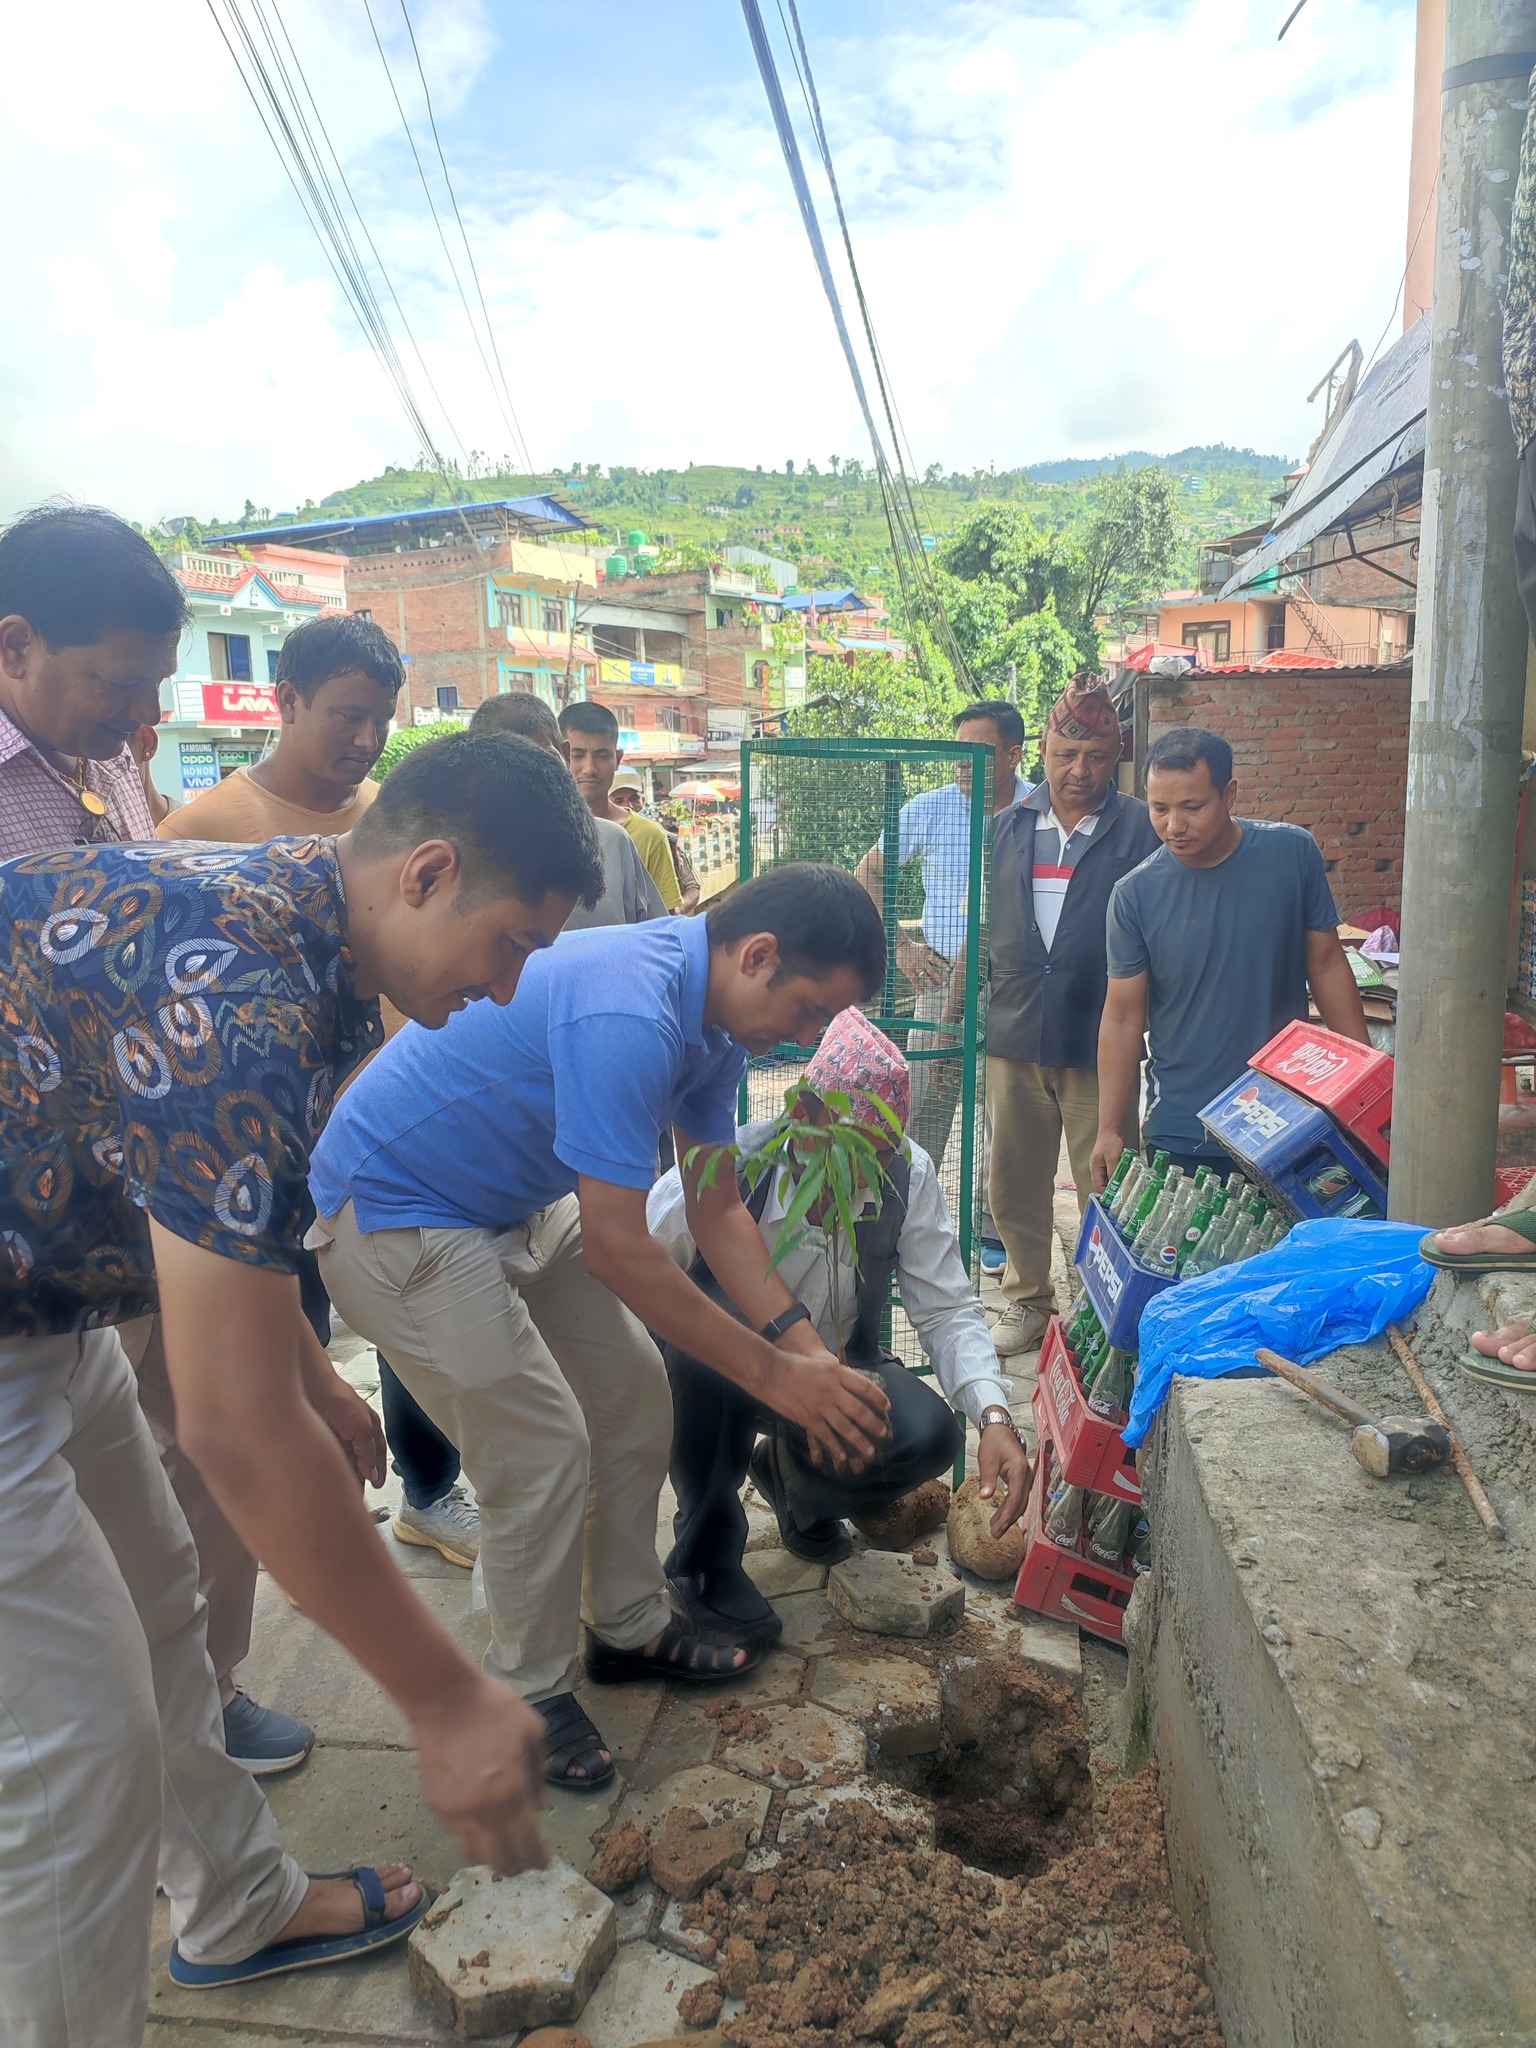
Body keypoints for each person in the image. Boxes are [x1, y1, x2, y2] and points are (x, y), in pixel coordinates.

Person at [0, 721, 601, 2040]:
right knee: (68, 1752)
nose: (507, 989)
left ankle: (235, 1904)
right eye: (511, 943)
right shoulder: (247, 991)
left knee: (165, 1599)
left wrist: (312, 1379)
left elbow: (208, 1203)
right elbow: (227, 1428)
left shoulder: (302, 923)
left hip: (49, 1310)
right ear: (428, 873)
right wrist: (445, 1699)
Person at [307, 867, 892, 1792]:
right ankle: (523, 1694)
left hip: (518, 1200)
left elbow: (716, 1208)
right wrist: (779, 1383)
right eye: (811, 1010)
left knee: (633, 1399)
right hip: (394, 1209)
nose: (811, 1037)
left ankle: (626, 1625)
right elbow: (624, 1250)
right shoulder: (632, 1006)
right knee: (538, 1451)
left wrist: (802, 1344)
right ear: (759, 955)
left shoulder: (715, 1025)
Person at [0, 503, 303, 1773]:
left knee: (190, 1479)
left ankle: (204, 1696)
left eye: (153, 692)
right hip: (32, 1236)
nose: (139, 722)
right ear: (15, 645)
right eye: (120, 685)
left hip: (137, 1201)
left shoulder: (112, 764)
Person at [161, 611, 482, 1578]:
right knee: (281, 1341)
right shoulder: (206, 828)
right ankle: (303, 1535)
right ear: (285, 700)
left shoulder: (383, 817)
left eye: (381, 718)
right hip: (256, 1145)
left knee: (406, 1314)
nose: (365, 740)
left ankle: (428, 1492)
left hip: (388, 1134)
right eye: (344, 714)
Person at [651, 1008, 1030, 1647]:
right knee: (701, 1354)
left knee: (923, 1433)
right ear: (805, 1116)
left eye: (882, 1156)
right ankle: (703, 1559)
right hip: (720, 1373)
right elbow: (637, 1265)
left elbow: (947, 1308)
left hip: (831, 1369)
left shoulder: (905, 1173)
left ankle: (793, 1486)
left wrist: (993, 1415)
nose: (869, 1175)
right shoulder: (730, 1167)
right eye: (858, 1153)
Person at [1092, 726, 1370, 1189]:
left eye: (1192, 807)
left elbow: (1326, 963)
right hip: (1184, 1129)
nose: (1173, 825)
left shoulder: (1291, 855)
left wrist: (1358, 1088)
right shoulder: (1133, 895)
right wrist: (1109, 1129)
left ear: (1230, 794)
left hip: (1287, 1117)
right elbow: (1122, 1017)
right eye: (1159, 809)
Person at [986, 681, 1158, 1358]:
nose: (1077, 771)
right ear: (1042, 753)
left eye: (1092, 756)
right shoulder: (1007, 827)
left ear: (1116, 754)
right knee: (1014, 1180)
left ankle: (1101, 1309)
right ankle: (1028, 1302)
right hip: (1015, 1032)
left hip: (1101, 1039)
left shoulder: (1142, 827)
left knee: (1108, 1183)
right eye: (1064, 754)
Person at [855, 699, 1027, 1215]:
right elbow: (868, 872)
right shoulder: (929, 808)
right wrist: (901, 946)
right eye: (956, 751)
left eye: (978, 751)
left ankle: (992, 1226)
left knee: (1005, 1113)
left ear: (1014, 755)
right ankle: (907, 1222)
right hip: (940, 978)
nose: (962, 763)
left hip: (1013, 984)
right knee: (926, 1100)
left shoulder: (1036, 809)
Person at [472, 693, 666, 927]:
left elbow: (658, 938)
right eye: (506, 766)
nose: (530, 778)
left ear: (563, 755)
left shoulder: (613, 842)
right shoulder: (461, 859)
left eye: (543, 759)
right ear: (478, 772)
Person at [560, 697, 683, 909]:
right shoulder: (538, 833)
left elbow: (663, 924)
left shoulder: (649, 836)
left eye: (601, 755)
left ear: (617, 759)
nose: (589, 768)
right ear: (561, 755)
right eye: (577, 755)